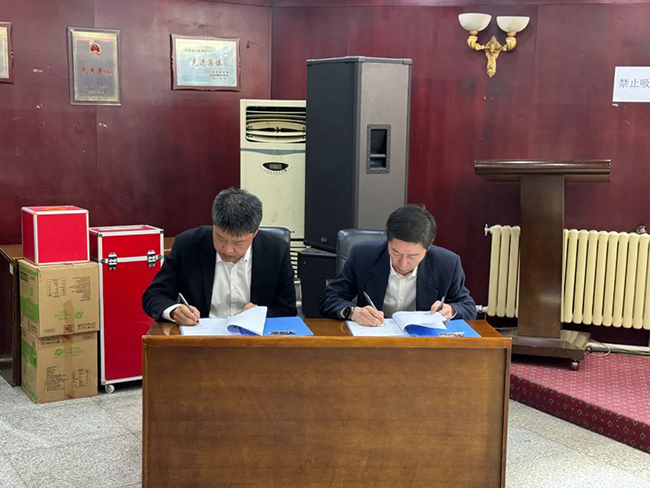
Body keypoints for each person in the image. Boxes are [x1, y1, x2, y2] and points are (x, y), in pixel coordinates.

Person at [142, 188, 296, 325]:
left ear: (255, 233)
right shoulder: (188, 245)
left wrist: (260, 314)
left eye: (238, 243)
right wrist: (174, 311)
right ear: (214, 225)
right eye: (220, 238)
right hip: (200, 340)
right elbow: (153, 295)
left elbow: (287, 309)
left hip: (254, 342)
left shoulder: (276, 250)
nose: (228, 250)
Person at [319, 204, 476, 326]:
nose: (403, 263)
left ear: (428, 248)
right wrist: (353, 312)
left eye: (412, 256)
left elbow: (468, 306)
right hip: (374, 340)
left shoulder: (447, 264)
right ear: (388, 241)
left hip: (423, 345)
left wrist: (451, 310)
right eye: (395, 252)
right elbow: (329, 298)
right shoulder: (363, 256)